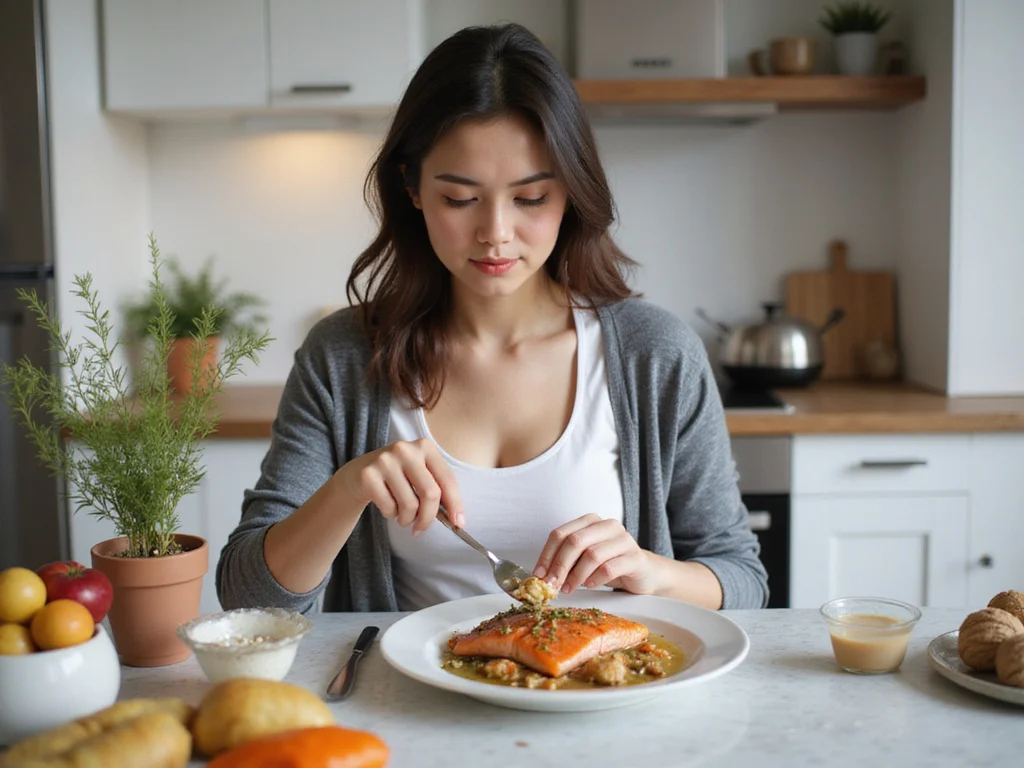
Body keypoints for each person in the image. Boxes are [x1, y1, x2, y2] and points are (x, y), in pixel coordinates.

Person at [216, 23, 768, 614]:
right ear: (413, 187)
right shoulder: (342, 355)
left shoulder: (654, 354)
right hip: (404, 704)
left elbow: (743, 581)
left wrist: (654, 573)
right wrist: (348, 489)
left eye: (530, 198)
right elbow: (247, 598)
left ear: (572, 193)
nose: (496, 234)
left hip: (599, 697)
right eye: (460, 198)